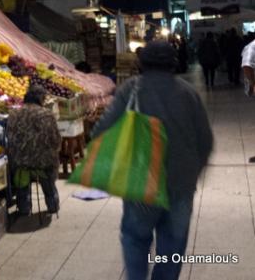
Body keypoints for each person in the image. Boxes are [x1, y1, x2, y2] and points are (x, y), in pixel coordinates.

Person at [91, 41, 213, 280]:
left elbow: (101, 131)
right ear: (174, 62)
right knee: (172, 246)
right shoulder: (188, 93)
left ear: (141, 63)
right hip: (179, 187)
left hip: (142, 184)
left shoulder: (131, 89)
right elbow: (205, 141)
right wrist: (190, 173)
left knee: (135, 239)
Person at [5, 85, 61, 216]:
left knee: (21, 175)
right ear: (40, 99)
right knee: (48, 174)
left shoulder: (13, 114)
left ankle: (24, 207)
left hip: (20, 162)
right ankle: (53, 204)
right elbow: (56, 139)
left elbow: (10, 139)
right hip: (44, 161)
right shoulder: (47, 114)